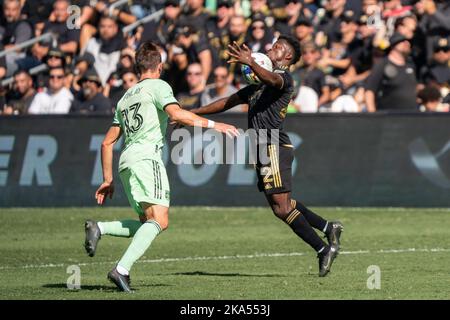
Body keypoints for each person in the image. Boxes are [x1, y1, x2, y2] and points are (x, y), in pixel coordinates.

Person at [84, 41, 239, 292]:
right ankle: (121, 270)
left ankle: (100, 228)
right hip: (147, 158)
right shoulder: (159, 86)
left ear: (137, 68)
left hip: (126, 162)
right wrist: (216, 126)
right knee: (160, 220)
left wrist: (107, 178)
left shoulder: (125, 97)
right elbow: (177, 115)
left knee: (148, 220)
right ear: (160, 66)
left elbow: (106, 143)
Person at [192, 35, 343, 277]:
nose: (272, 50)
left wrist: (251, 62)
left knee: (282, 209)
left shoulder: (283, 78)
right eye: (272, 46)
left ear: (287, 57)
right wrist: (192, 114)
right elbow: (227, 101)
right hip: (262, 148)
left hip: (273, 146)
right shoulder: (258, 85)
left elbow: (272, 77)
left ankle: (323, 249)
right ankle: (328, 226)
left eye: (277, 48)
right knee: (281, 206)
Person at [364, 32, 418, 112]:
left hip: (411, 116)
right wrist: (372, 116)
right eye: (402, 41)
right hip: (388, 117)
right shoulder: (382, 64)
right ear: (394, 44)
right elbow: (369, 91)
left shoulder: (410, 65)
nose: (407, 43)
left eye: (407, 41)